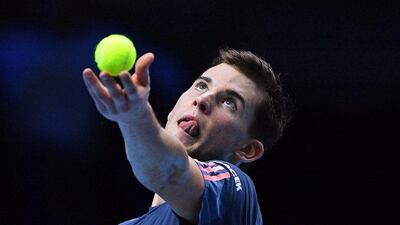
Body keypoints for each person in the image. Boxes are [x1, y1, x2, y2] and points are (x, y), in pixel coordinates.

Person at [82, 48, 289, 225]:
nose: (203, 99)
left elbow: (170, 172)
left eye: (229, 102)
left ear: (247, 149)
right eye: (201, 85)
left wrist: (135, 118)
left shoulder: (233, 193)